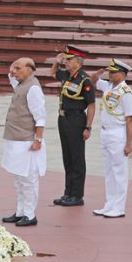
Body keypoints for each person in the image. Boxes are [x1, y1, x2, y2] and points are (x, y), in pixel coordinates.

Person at [1, 57, 47, 226]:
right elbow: (11, 77)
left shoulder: (33, 88)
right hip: (15, 138)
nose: (15, 72)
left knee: (28, 179)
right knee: (19, 179)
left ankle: (30, 214)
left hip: (27, 141)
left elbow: (40, 117)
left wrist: (38, 139)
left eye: (18, 68)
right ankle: (20, 211)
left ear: (30, 69)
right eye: (14, 68)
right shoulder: (21, 84)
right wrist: (12, 68)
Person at [50, 45, 95, 207]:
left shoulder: (84, 80)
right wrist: (57, 62)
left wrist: (88, 127)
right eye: (66, 60)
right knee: (67, 157)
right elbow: (53, 73)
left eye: (69, 60)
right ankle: (68, 192)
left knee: (76, 158)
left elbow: (91, 105)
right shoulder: (67, 75)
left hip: (76, 120)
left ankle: (77, 195)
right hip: (63, 119)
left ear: (79, 62)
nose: (66, 62)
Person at [90, 59, 132, 218]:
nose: (110, 74)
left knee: (119, 171)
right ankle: (109, 203)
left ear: (122, 75)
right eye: (110, 71)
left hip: (118, 132)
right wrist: (97, 74)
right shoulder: (108, 86)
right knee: (108, 170)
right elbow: (93, 82)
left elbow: (130, 119)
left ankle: (119, 206)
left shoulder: (126, 92)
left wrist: (129, 143)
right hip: (105, 131)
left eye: (113, 72)